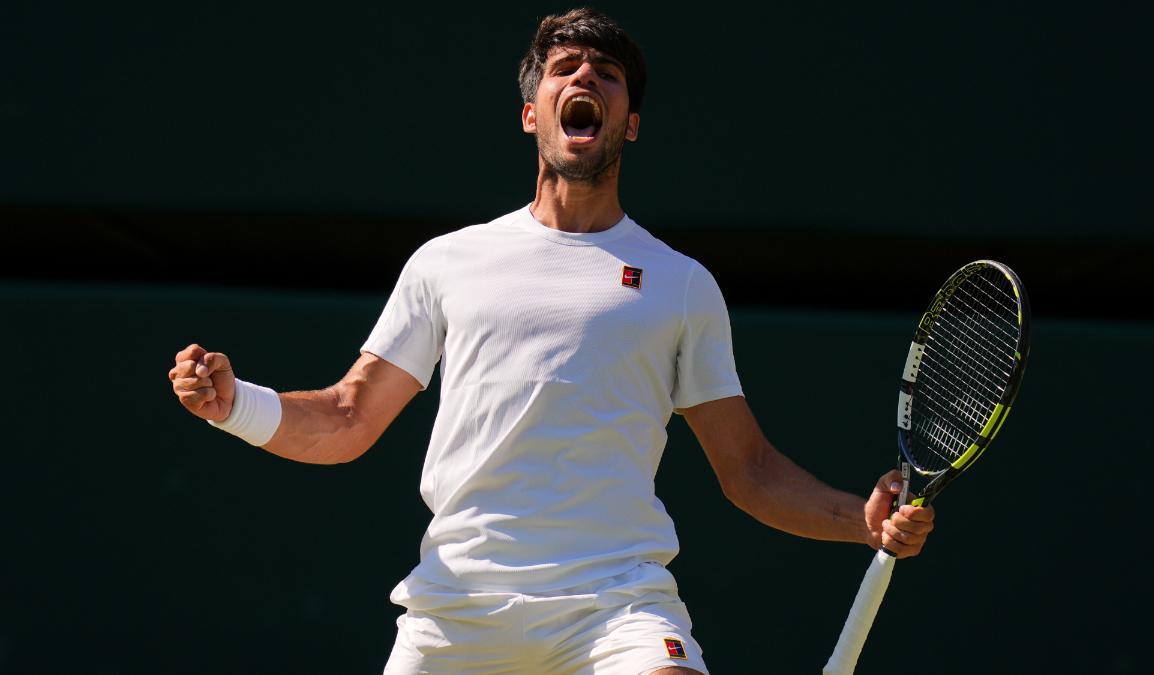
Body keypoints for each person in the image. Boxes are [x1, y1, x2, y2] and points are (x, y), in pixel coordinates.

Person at [168, 8, 934, 674]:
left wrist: (861, 519)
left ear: (629, 121)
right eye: (565, 69)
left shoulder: (682, 285)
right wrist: (237, 405)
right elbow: (346, 417)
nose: (585, 80)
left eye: (606, 74)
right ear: (531, 112)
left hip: (614, 606)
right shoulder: (448, 262)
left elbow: (751, 469)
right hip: (458, 609)